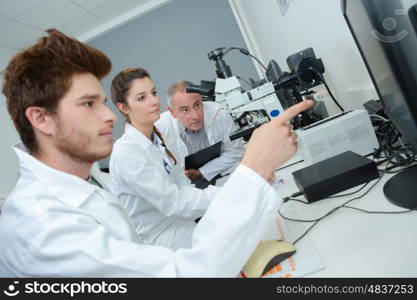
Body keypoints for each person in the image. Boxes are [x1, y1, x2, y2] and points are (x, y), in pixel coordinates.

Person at [0, 28, 313, 277]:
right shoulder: (43, 227)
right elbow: (183, 275)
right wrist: (252, 170)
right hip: (168, 238)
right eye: (87, 104)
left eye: (102, 103)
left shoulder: (82, 184)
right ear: (42, 118)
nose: (108, 116)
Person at [109, 68, 219, 250]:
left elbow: (182, 185)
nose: (154, 101)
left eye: (153, 93)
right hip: (160, 239)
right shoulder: (127, 153)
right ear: (124, 107)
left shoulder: (156, 138)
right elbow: (174, 202)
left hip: (181, 223)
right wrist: (224, 194)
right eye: (142, 98)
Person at [155, 81, 245, 188]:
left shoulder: (218, 112)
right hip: (186, 186)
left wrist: (202, 172)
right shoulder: (160, 128)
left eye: (197, 105)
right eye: (185, 110)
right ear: (172, 112)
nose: (196, 116)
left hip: (221, 171)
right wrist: (179, 174)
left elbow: (236, 151)